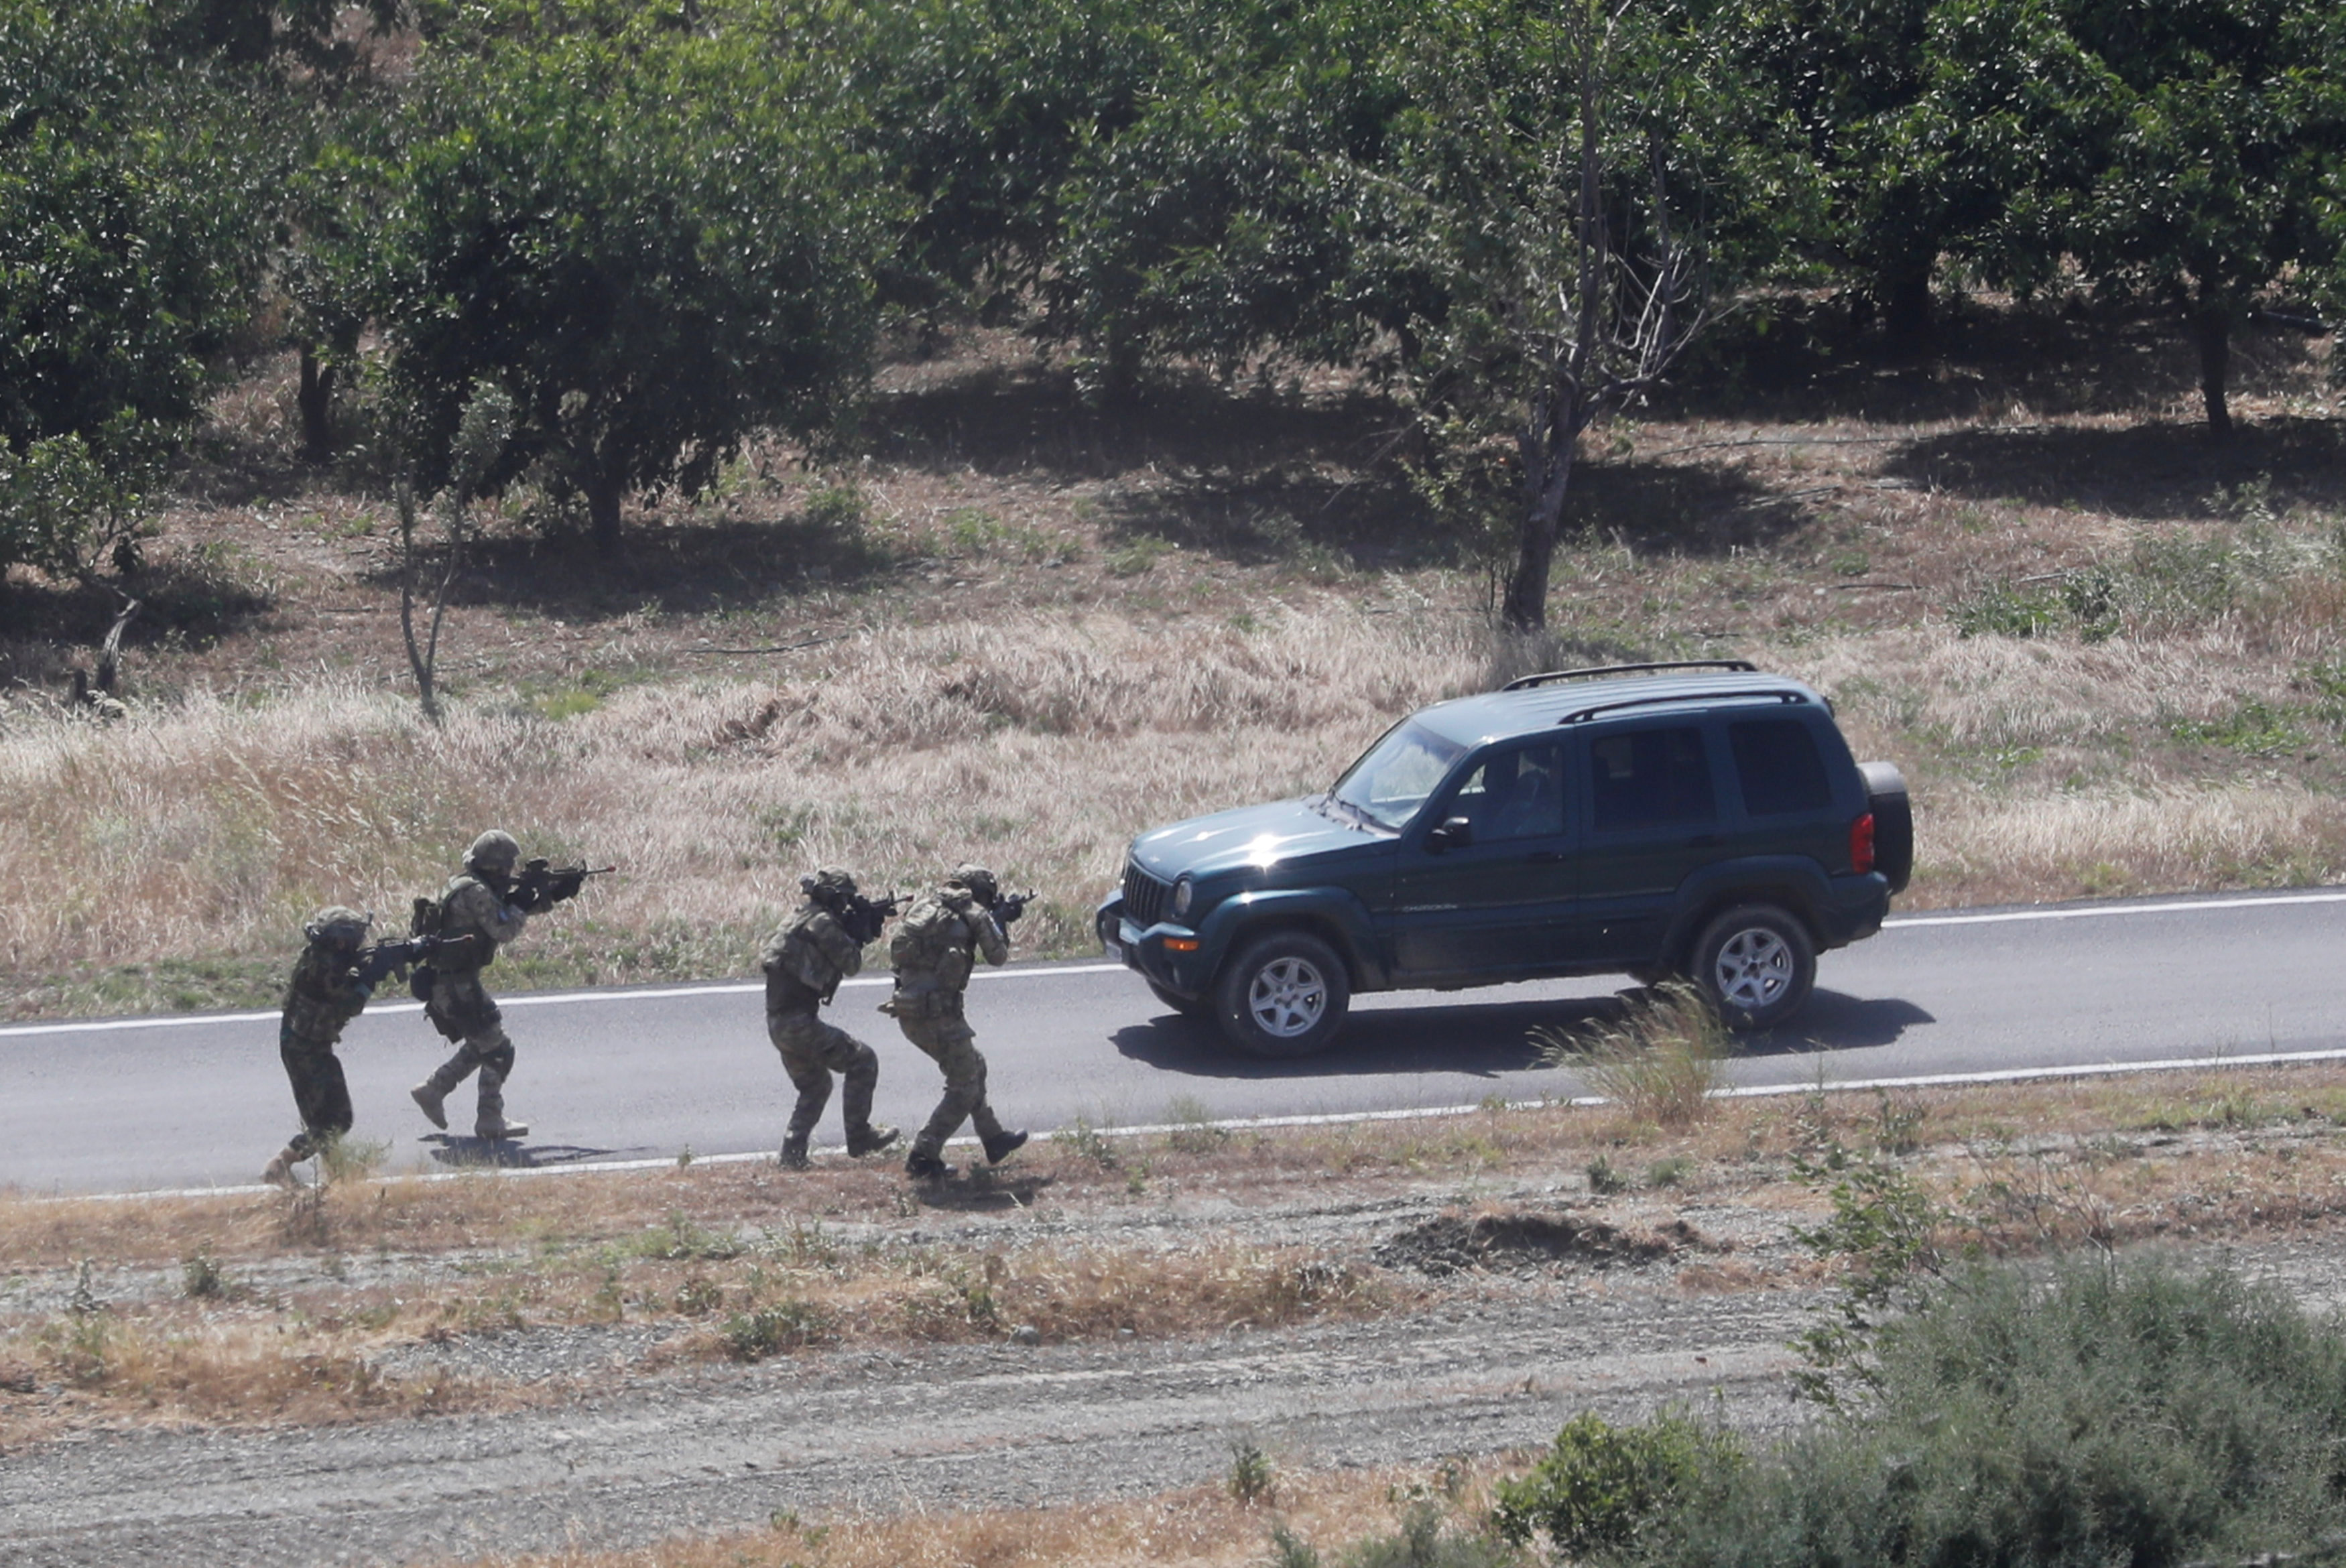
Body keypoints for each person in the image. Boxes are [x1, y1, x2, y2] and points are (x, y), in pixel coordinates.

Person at [408, 829, 568, 1140]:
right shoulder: (476, 892)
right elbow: (503, 928)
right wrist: (523, 902)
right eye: (508, 867)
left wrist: (552, 895)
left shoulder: (466, 886)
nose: (511, 872)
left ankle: (434, 1089)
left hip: (453, 981)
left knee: (483, 1043)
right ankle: (489, 1120)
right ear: (498, 867)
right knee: (499, 1050)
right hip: (457, 985)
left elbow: (499, 912)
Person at [882, 864, 1028, 1179]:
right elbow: (998, 956)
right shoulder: (974, 914)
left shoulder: (926, 906)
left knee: (975, 1066)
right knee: (963, 1086)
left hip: (911, 1011)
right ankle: (923, 1154)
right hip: (938, 1015)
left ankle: (994, 1138)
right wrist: (1000, 922)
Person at [760, 867, 900, 1169]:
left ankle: (792, 1155)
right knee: (863, 1061)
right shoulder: (823, 924)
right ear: (834, 899)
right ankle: (860, 1137)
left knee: (816, 1085)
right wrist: (861, 935)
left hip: (779, 1024)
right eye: (844, 900)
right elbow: (851, 964)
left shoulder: (800, 917)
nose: (846, 906)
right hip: (798, 1023)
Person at [263, 907, 378, 1187]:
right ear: (340, 941)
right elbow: (350, 1005)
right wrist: (369, 980)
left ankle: (338, 1179)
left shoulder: (323, 959)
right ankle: (281, 1164)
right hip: (305, 1051)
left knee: (327, 1119)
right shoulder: (325, 968)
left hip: (308, 1046)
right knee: (334, 1122)